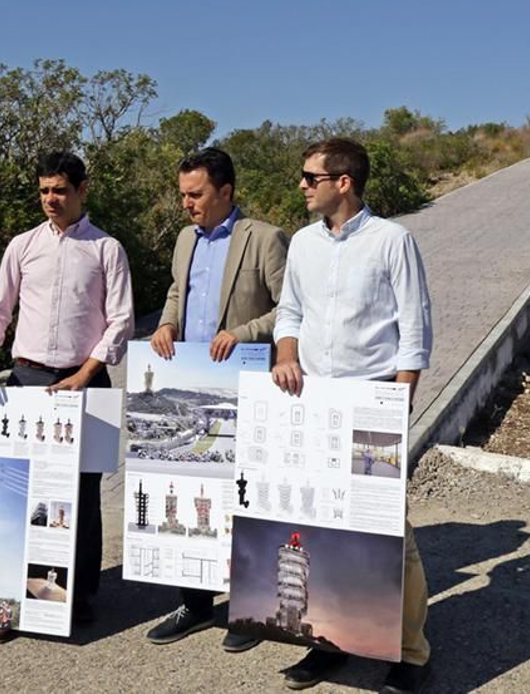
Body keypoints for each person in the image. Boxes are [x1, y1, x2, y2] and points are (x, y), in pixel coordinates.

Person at [271, 137, 433, 694]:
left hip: (372, 402)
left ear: (343, 183)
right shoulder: (302, 243)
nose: (301, 186)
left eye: (309, 177)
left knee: (388, 532)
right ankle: (328, 643)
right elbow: (290, 311)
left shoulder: (392, 240)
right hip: (314, 405)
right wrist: (287, 354)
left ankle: (411, 654)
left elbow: (414, 326)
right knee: (320, 528)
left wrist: (400, 401)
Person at [0, 151, 133, 643]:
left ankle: (75, 598)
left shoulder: (107, 249)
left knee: (82, 495)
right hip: (28, 380)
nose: (50, 200)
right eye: (43, 191)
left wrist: (85, 373)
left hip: (88, 382)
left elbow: (121, 320)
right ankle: (11, 602)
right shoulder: (22, 245)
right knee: (23, 494)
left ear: (82, 190)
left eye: (59, 190)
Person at [145, 147, 288, 654]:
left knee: (246, 500)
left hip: (247, 388)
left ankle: (249, 609)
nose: (186, 204)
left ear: (226, 191)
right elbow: (176, 293)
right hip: (193, 386)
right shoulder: (186, 239)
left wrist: (243, 332)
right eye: (183, 194)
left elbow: (290, 310)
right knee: (194, 497)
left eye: (196, 194)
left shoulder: (265, 238)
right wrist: (166, 323)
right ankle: (195, 603)